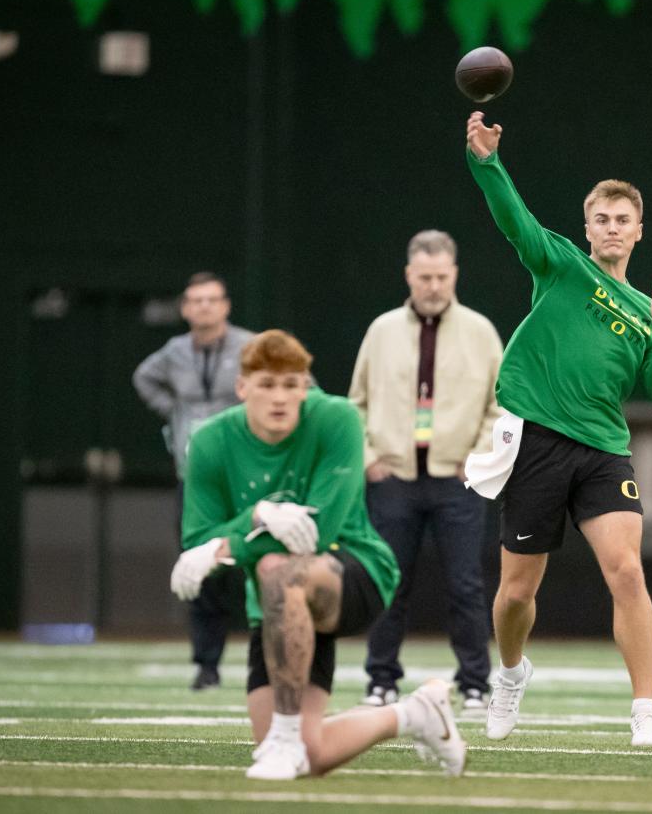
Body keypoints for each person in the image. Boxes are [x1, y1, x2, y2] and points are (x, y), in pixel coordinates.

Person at [462, 111, 652, 747]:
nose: (612, 228)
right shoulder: (563, 264)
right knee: (516, 595)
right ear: (588, 227)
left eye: (623, 219)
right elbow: (514, 220)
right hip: (537, 440)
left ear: (639, 231)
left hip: (603, 451)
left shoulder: (646, 309)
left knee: (626, 571)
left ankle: (644, 710)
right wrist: (486, 162)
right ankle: (510, 674)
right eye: (602, 218)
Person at [169, 329, 467, 780]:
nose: (280, 398)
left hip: (355, 570)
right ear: (242, 387)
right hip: (274, 608)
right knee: (313, 757)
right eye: (267, 384)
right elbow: (196, 541)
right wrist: (257, 515)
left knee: (279, 567)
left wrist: (225, 545)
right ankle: (415, 714)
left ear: (305, 387)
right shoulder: (211, 441)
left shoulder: (338, 418)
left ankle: (284, 738)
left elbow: (316, 533)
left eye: (292, 385)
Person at [350, 229, 503, 710]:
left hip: (458, 480)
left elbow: (501, 405)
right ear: (409, 276)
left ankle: (476, 682)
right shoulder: (381, 330)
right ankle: (381, 679)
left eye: (441, 276)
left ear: (454, 274)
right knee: (387, 580)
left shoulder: (480, 332)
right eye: (424, 277)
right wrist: (368, 458)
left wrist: (477, 460)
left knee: (466, 584)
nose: (433, 286)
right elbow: (355, 403)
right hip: (393, 478)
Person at [133, 271, 253, 690]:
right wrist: (174, 412)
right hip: (194, 474)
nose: (204, 307)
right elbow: (143, 377)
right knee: (201, 568)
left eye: (211, 299)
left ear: (225, 305)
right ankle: (207, 665)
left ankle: (270, 658)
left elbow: (296, 385)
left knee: (259, 563)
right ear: (185, 308)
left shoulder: (250, 345)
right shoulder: (174, 351)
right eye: (196, 300)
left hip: (245, 474)